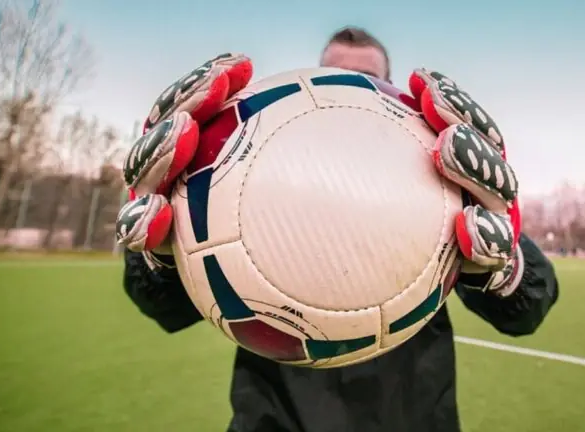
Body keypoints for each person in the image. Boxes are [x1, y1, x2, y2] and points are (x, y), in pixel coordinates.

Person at [116, 26, 560, 432]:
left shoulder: (437, 178)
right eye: (335, 77)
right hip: (275, 419)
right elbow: (163, 308)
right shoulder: (248, 177)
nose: (347, 94)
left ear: (387, 89)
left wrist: (502, 263)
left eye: (363, 80)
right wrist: (163, 249)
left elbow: (527, 311)